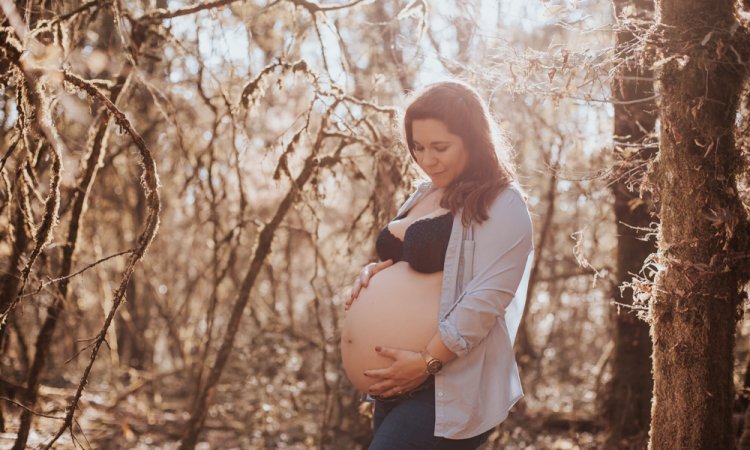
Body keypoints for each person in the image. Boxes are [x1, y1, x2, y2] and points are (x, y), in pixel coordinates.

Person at [345, 80, 534, 449]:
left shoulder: (502, 204)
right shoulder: (426, 192)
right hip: (394, 383)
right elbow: (413, 267)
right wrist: (375, 271)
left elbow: (485, 299)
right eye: (418, 147)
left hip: (445, 387)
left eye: (440, 147)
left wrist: (426, 362)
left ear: (474, 140)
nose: (427, 159)